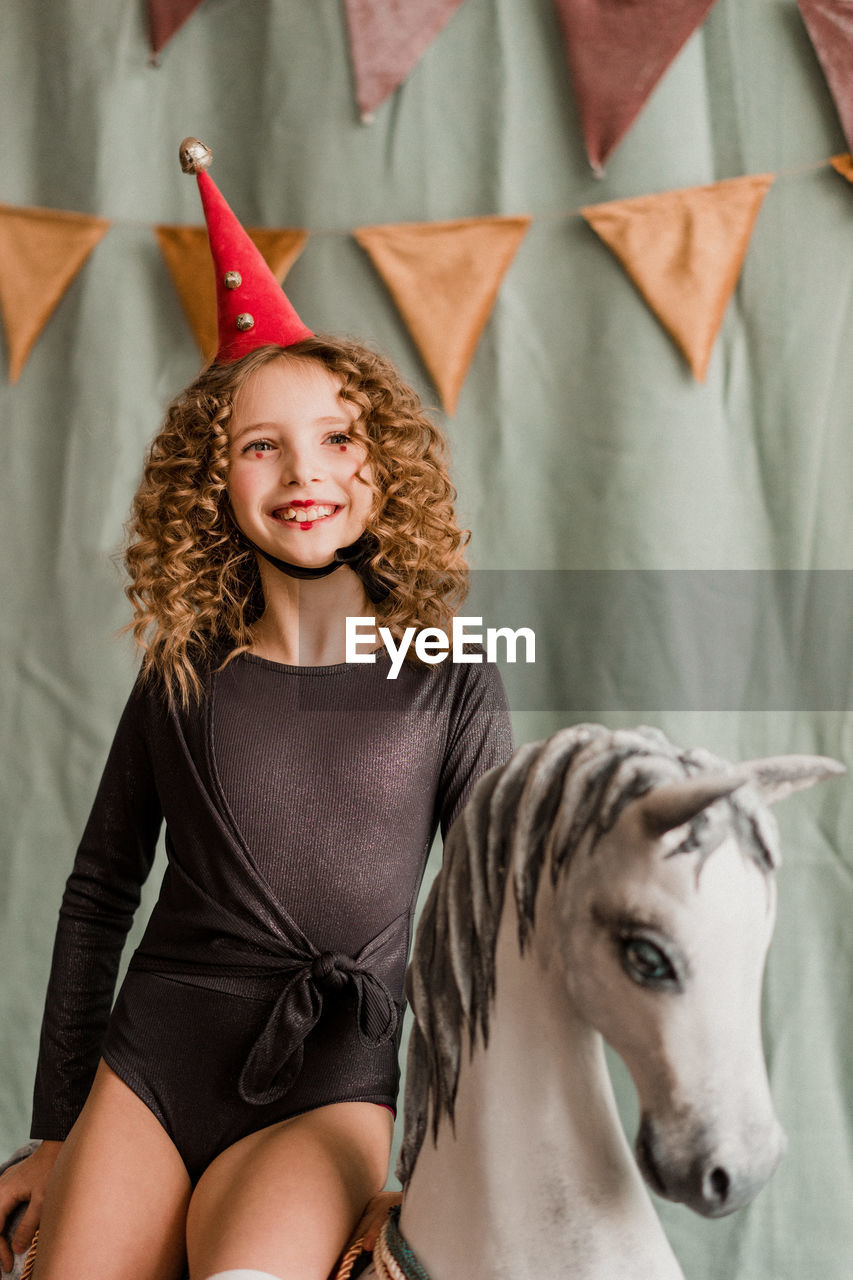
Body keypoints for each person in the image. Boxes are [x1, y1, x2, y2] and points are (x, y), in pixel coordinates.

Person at [0, 140, 513, 1280]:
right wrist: (55, 1129)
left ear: (379, 465)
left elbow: (488, 946)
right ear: (215, 483)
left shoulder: (453, 674)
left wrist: (432, 1175)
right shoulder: (182, 671)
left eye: (335, 438)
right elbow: (99, 894)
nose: (303, 473)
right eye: (259, 446)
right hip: (151, 1064)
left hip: (331, 1090)